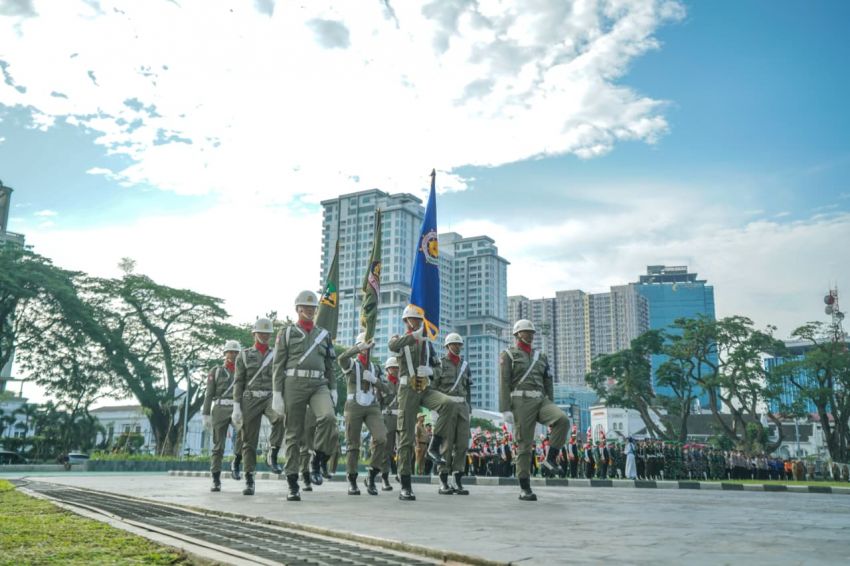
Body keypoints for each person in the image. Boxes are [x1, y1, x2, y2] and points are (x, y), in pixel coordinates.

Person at [388, 305, 460, 501]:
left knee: (448, 404)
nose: (416, 322)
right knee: (405, 438)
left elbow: (438, 367)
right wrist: (415, 336)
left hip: (425, 388)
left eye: (419, 319)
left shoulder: (427, 344)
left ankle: (434, 446)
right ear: (406, 322)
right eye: (412, 319)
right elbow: (392, 346)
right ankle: (405, 483)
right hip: (407, 391)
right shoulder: (400, 339)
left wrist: (431, 372)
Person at [272, 290, 337, 502]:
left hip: (319, 383)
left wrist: (333, 388)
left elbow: (330, 365)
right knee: (293, 433)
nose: (309, 310)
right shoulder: (287, 333)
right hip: (294, 383)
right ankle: (292, 482)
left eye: (312, 307)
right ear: (298, 309)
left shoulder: (323, 335)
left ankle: (318, 459)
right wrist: (277, 393)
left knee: (328, 418)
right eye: (305, 307)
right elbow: (278, 364)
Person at [499, 319, 569, 501]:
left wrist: (551, 404)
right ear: (517, 335)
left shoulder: (541, 356)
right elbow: (504, 382)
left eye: (532, 332)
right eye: (526, 332)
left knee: (562, 420)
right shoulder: (508, 354)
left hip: (541, 399)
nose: (530, 335)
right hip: (521, 400)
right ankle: (524, 487)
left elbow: (548, 381)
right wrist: (505, 409)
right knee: (525, 444)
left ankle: (550, 459)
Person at [231, 318, 284, 496]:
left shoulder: (276, 354)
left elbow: (281, 377)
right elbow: (238, 382)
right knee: (249, 441)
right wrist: (236, 406)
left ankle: (273, 451)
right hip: (250, 398)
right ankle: (249, 479)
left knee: (280, 417)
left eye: (267, 333)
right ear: (254, 334)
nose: (264, 335)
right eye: (261, 332)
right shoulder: (244, 355)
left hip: (269, 396)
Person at [338, 331, 388, 496]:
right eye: (364, 347)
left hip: (372, 405)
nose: (367, 350)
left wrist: (375, 380)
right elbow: (341, 359)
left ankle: (372, 475)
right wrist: (357, 348)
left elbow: (388, 389)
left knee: (381, 438)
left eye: (369, 346)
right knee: (353, 445)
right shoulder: (351, 364)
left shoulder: (375, 367)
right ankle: (352, 479)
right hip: (354, 405)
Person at [432, 332, 472, 495]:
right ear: (447, 346)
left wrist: (469, 409)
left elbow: (468, 389)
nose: (457, 346)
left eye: (459, 344)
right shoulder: (440, 365)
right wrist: (436, 410)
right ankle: (443, 480)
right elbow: (433, 388)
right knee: (446, 445)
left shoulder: (465, 365)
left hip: (462, 407)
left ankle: (457, 479)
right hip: (446, 407)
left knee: (462, 444)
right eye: (454, 344)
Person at [203, 339, 244, 492]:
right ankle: (215, 479)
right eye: (230, 352)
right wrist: (206, 413)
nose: (232, 355)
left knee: (243, 434)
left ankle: (236, 460)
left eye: (235, 352)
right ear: (225, 353)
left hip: (237, 407)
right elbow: (209, 394)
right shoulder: (216, 371)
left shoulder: (243, 370)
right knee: (218, 446)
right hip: (220, 407)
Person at [375, 356, 400, 490]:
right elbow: (377, 403)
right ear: (388, 369)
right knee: (387, 450)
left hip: (401, 417)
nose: (395, 369)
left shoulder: (403, 383)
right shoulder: (382, 383)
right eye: (393, 367)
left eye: (397, 367)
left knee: (404, 448)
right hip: (387, 418)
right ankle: (385, 477)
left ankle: (401, 473)